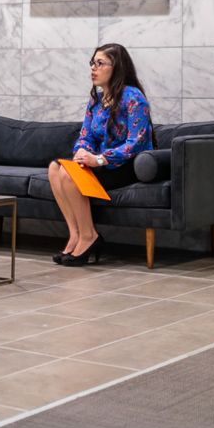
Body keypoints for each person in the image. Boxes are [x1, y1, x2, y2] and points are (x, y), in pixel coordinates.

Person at [46, 43, 152, 266]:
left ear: (117, 67)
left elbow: (136, 143)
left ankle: (89, 236)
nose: (93, 68)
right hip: (99, 162)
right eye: (92, 63)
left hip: (126, 165)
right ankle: (75, 234)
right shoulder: (96, 100)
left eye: (100, 63)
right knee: (55, 168)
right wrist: (81, 150)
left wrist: (100, 159)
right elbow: (85, 135)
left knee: (68, 174)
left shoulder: (134, 98)